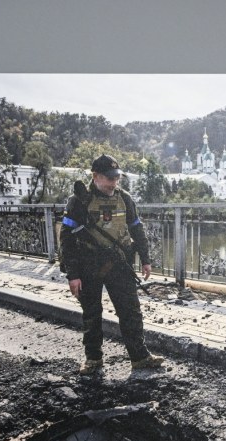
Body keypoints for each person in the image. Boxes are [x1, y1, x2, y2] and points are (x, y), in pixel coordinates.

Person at [59, 154, 164, 375]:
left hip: (119, 263)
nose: (114, 183)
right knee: (92, 313)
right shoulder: (78, 201)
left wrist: (145, 259)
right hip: (89, 265)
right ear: (95, 176)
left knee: (131, 311)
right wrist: (73, 275)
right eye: (109, 178)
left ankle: (140, 357)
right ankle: (93, 359)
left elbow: (137, 228)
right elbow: (67, 239)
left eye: (116, 178)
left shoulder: (124, 198)